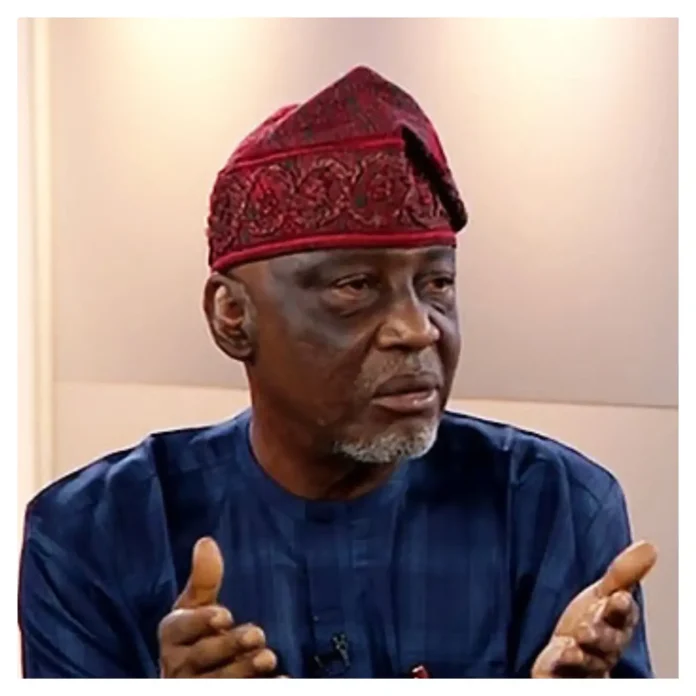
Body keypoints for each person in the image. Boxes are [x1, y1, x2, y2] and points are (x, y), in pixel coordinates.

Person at [18, 66, 656, 679]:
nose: (418, 329)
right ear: (233, 316)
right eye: (356, 286)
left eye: (437, 284)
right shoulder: (94, 533)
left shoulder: (553, 506)